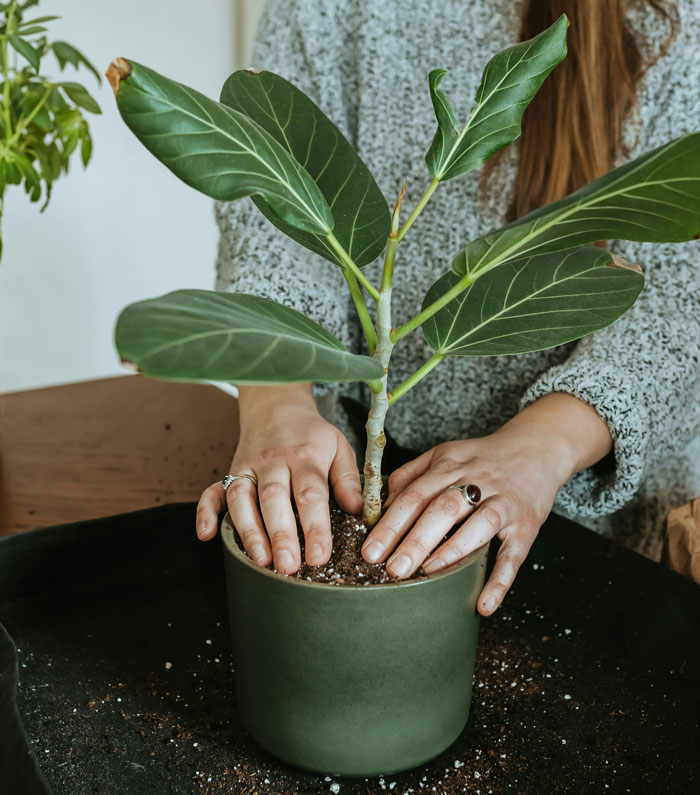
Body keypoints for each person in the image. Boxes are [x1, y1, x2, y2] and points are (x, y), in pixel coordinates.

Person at [196, 0, 700, 616]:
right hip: (354, 475)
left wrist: (539, 448)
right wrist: (274, 402)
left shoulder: (674, 20)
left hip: (597, 527)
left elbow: (679, 290)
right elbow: (271, 198)